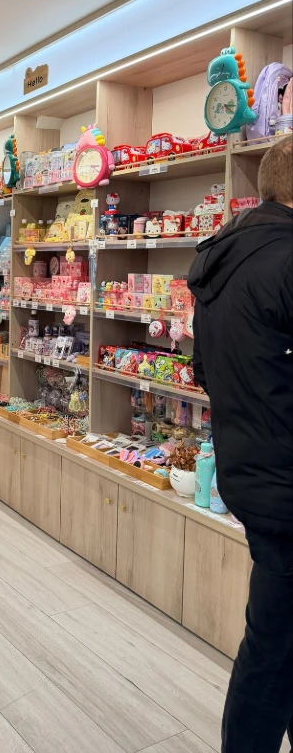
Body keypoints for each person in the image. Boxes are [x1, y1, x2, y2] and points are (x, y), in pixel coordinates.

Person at [187, 136, 293, 753]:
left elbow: (205, 369)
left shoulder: (223, 259)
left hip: (251, 472)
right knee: (273, 651)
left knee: (281, 635)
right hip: (286, 482)